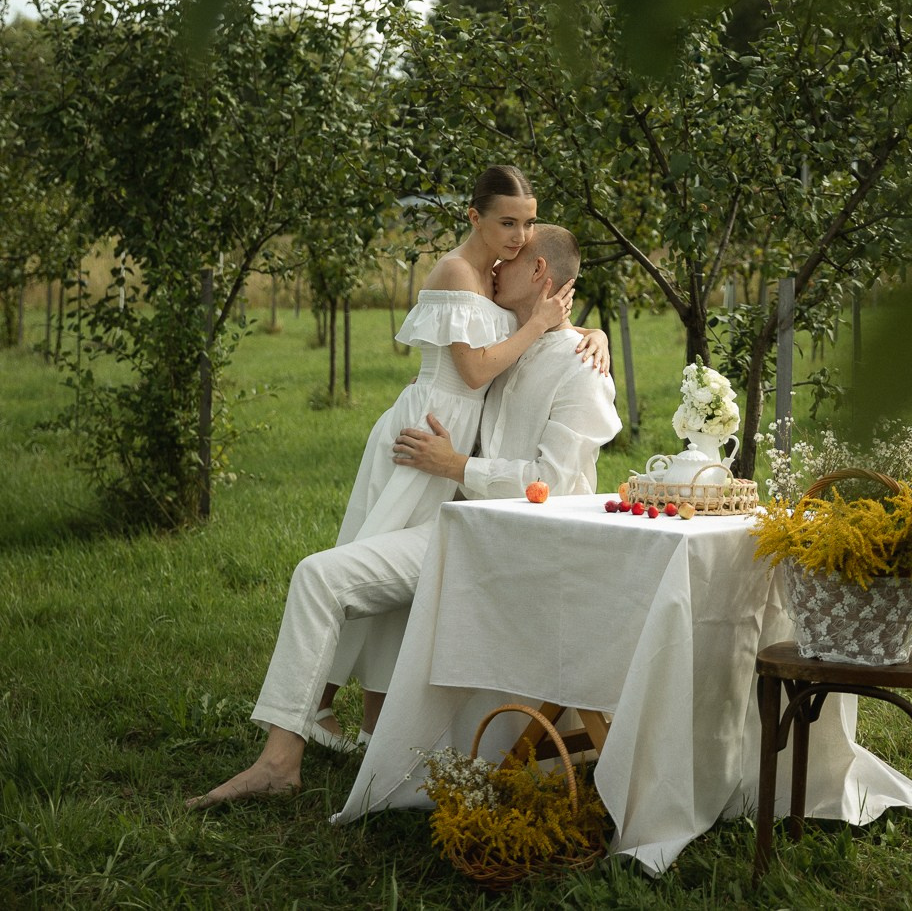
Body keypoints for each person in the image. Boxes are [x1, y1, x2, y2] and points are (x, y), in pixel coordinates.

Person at [187, 214, 619, 809]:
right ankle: (281, 759)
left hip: (515, 550)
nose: (496, 264)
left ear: (539, 270)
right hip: (457, 530)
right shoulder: (510, 344)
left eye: (511, 259)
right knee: (319, 575)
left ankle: (305, 746)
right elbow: (496, 350)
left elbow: (558, 484)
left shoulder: (582, 369)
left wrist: (457, 467)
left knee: (325, 577)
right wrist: (582, 327)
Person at [309, 164, 607, 749]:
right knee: (366, 557)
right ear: (475, 216)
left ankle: (375, 722)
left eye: (526, 224)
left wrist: (585, 334)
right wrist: (543, 323)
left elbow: (533, 329)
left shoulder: (503, 273)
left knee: (404, 585)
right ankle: (313, 703)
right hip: (428, 430)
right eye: (507, 222)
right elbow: (474, 368)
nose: (519, 236)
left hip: (456, 442)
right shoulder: (458, 270)